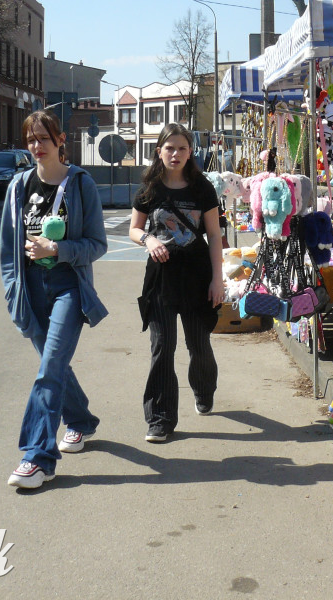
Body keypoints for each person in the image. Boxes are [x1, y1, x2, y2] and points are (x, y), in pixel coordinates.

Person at [0, 110, 108, 489]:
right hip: (31, 290)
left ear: (61, 141)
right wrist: (13, 291)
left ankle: (38, 457)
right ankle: (81, 421)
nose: (36, 146)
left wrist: (57, 249)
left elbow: (97, 244)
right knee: (55, 365)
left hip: (68, 287)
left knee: (49, 368)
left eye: (43, 138)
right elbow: (6, 250)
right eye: (30, 139)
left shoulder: (81, 184)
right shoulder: (18, 186)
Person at [129, 123, 224, 443]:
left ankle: (203, 388)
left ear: (190, 152)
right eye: (169, 148)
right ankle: (160, 418)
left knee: (198, 345)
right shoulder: (149, 188)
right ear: (159, 151)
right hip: (161, 278)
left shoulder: (202, 189)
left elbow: (214, 236)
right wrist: (147, 240)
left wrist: (218, 279)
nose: (176, 154)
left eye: (182, 148)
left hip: (196, 276)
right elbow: (133, 229)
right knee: (162, 348)